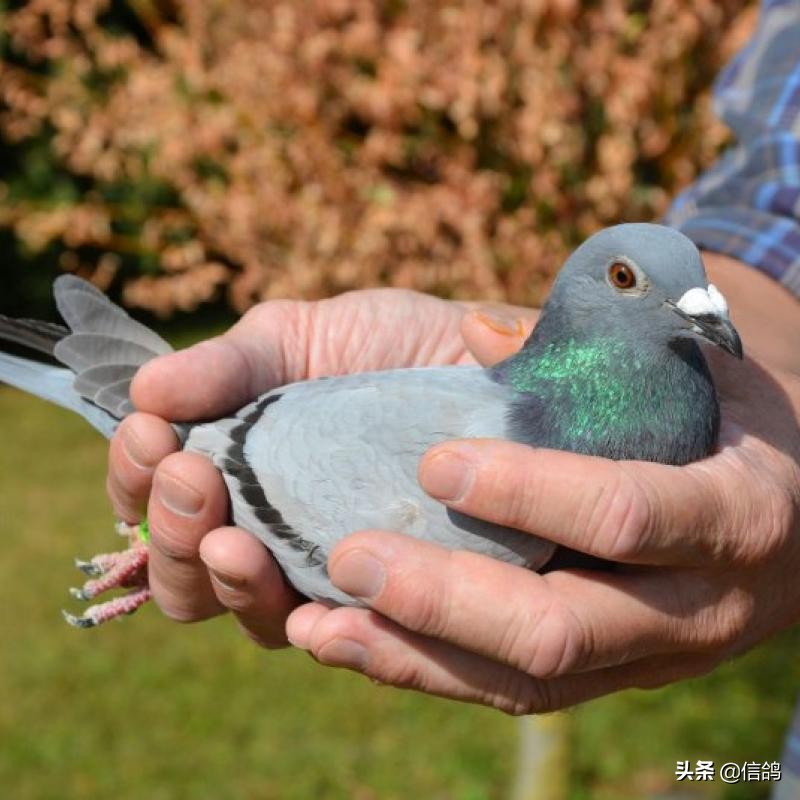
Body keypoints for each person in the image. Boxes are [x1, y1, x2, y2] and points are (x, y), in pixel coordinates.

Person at [107, 0, 799, 784]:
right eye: (624, 278)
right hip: (236, 448)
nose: (696, 309)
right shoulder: (493, 484)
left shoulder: (625, 404)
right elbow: (774, 202)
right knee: (203, 493)